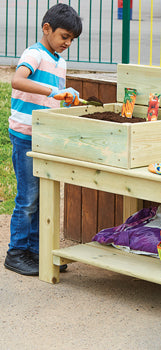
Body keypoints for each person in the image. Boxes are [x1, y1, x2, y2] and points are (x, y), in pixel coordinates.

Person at [4, 3, 83, 276]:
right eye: (64, 36)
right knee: (28, 199)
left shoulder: (60, 60)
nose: (67, 43)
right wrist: (54, 91)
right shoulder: (34, 54)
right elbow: (18, 80)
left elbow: (53, 97)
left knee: (43, 196)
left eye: (72, 40)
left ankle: (37, 252)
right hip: (26, 135)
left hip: (46, 137)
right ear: (46, 28)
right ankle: (16, 253)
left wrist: (64, 97)